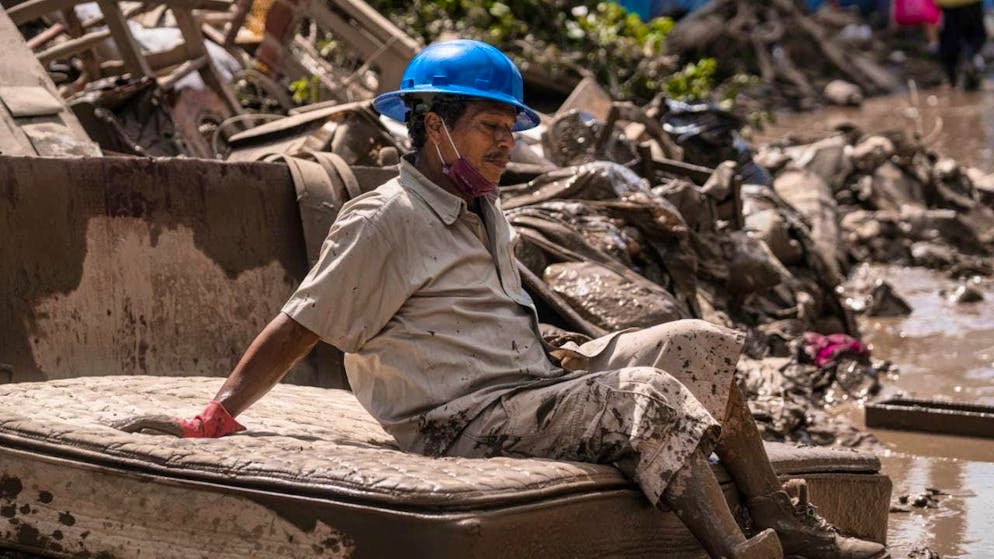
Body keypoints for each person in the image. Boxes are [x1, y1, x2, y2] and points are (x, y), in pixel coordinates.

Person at [116, 39, 887, 559]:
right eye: (488, 127)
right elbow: (300, 322)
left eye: (510, 130)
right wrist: (218, 413)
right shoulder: (387, 218)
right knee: (648, 396)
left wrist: (566, 358)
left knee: (700, 343)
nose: (505, 144)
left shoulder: (485, 209)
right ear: (431, 126)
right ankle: (736, 553)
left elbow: (494, 317)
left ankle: (783, 519)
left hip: (524, 388)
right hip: (456, 421)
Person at [935, 0, 987, 88]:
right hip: (967, 4)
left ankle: (954, 78)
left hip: (948, 4)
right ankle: (967, 62)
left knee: (950, 41)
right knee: (975, 38)